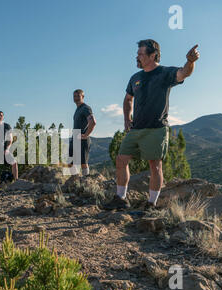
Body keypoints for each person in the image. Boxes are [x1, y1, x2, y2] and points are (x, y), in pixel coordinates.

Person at [103, 39, 200, 211]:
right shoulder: (135, 78)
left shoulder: (164, 73)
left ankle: (151, 204)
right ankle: (120, 198)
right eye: (138, 54)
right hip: (136, 129)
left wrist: (190, 61)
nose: (137, 57)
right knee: (120, 160)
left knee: (155, 166)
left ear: (152, 55)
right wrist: (127, 118)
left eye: (140, 54)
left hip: (156, 128)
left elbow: (184, 73)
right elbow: (127, 99)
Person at [69, 90, 96, 176]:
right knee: (71, 162)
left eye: (78, 96)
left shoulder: (85, 108)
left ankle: (85, 182)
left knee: (83, 163)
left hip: (82, 138)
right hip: (75, 138)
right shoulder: (78, 109)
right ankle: (74, 181)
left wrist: (86, 135)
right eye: (74, 96)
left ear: (82, 97)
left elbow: (93, 122)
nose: (76, 98)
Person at [0, 111, 18, 184]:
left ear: (3, 117)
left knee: (14, 163)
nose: (0, 116)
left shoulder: (7, 126)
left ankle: (16, 182)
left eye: (1, 115)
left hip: (5, 150)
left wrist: (7, 149)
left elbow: (10, 139)